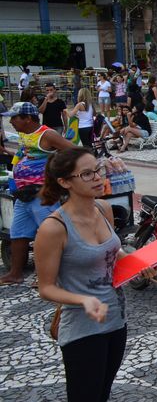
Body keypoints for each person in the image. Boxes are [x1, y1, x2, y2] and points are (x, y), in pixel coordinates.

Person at [34, 146, 155, 402]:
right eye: (87, 173)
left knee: (100, 401)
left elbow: (111, 253)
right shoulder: (54, 228)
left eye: (98, 169)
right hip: (82, 329)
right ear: (65, 182)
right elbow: (46, 287)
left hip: (116, 320)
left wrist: (137, 261)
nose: (98, 178)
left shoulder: (104, 209)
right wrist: (82, 300)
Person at [0, 102, 77, 284]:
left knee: (50, 235)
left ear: (27, 119)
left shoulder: (47, 134)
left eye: (14, 118)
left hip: (42, 194)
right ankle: (15, 273)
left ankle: (53, 277)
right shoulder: (25, 134)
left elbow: (74, 151)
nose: (11, 122)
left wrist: (57, 171)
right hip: (23, 194)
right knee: (18, 234)